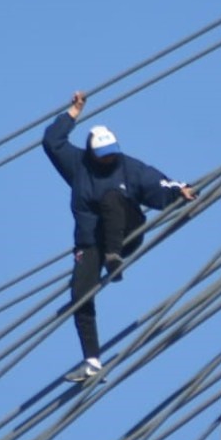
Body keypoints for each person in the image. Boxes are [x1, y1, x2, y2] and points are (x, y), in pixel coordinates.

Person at [42, 90, 196, 381]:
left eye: (112, 152)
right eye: (103, 156)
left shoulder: (128, 167)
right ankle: (92, 362)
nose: (109, 159)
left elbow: (158, 183)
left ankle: (114, 259)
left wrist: (180, 190)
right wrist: (74, 112)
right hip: (93, 243)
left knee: (112, 198)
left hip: (128, 232)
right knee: (79, 295)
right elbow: (52, 142)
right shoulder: (78, 166)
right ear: (91, 154)